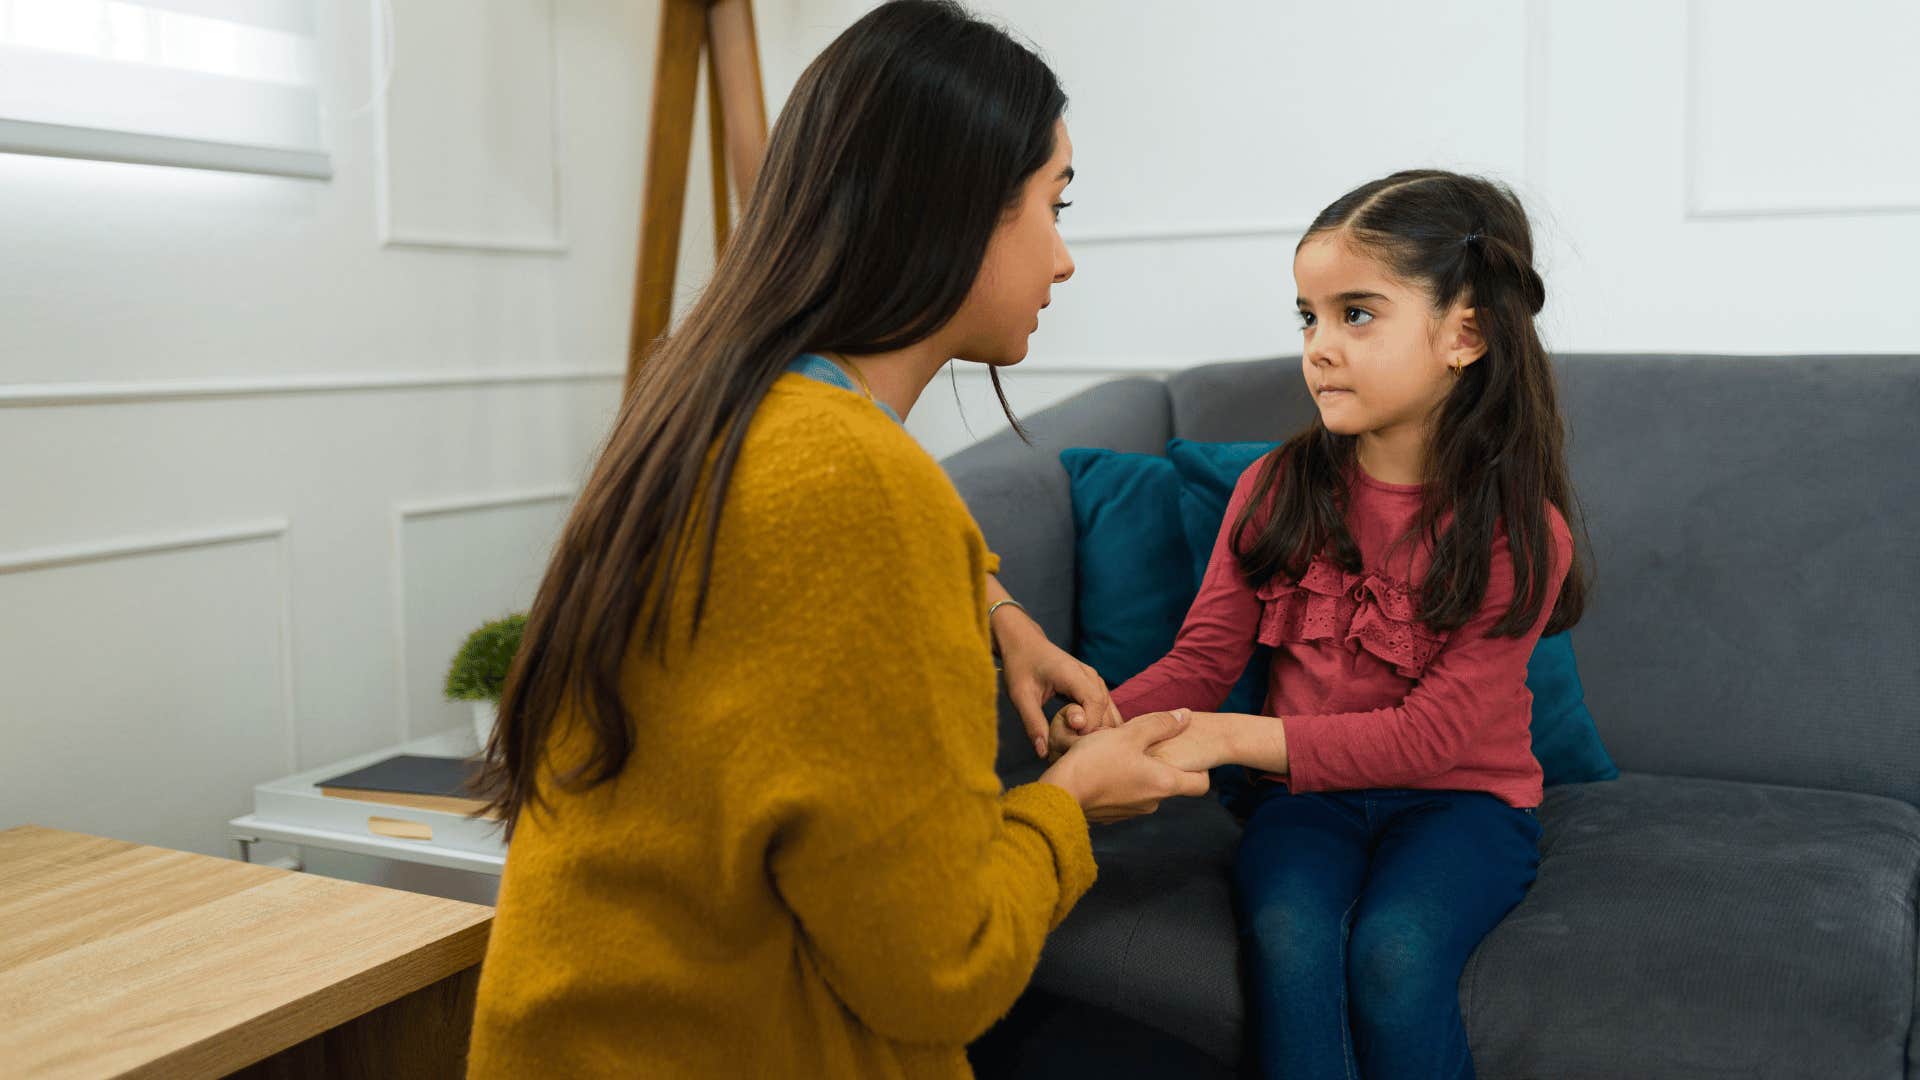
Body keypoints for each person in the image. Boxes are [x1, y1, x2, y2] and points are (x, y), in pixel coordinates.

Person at [464, 3, 1208, 1076]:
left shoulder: (718, 408)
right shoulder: (855, 486)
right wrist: (1071, 805)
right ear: (955, 209)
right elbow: (939, 970)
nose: (1064, 258)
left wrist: (995, 613)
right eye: (1056, 204)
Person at [1052, 169, 1588, 1079]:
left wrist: (1226, 737)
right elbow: (1204, 657)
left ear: (1466, 335)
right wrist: (1109, 716)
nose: (1320, 348)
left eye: (1358, 314)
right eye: (1309, 316)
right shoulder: (1275, 489)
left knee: (1396, 954)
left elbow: (1434, 737)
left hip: (1464, 801)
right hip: (1307, 803)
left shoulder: (1518, 531)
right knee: (1291, 937)